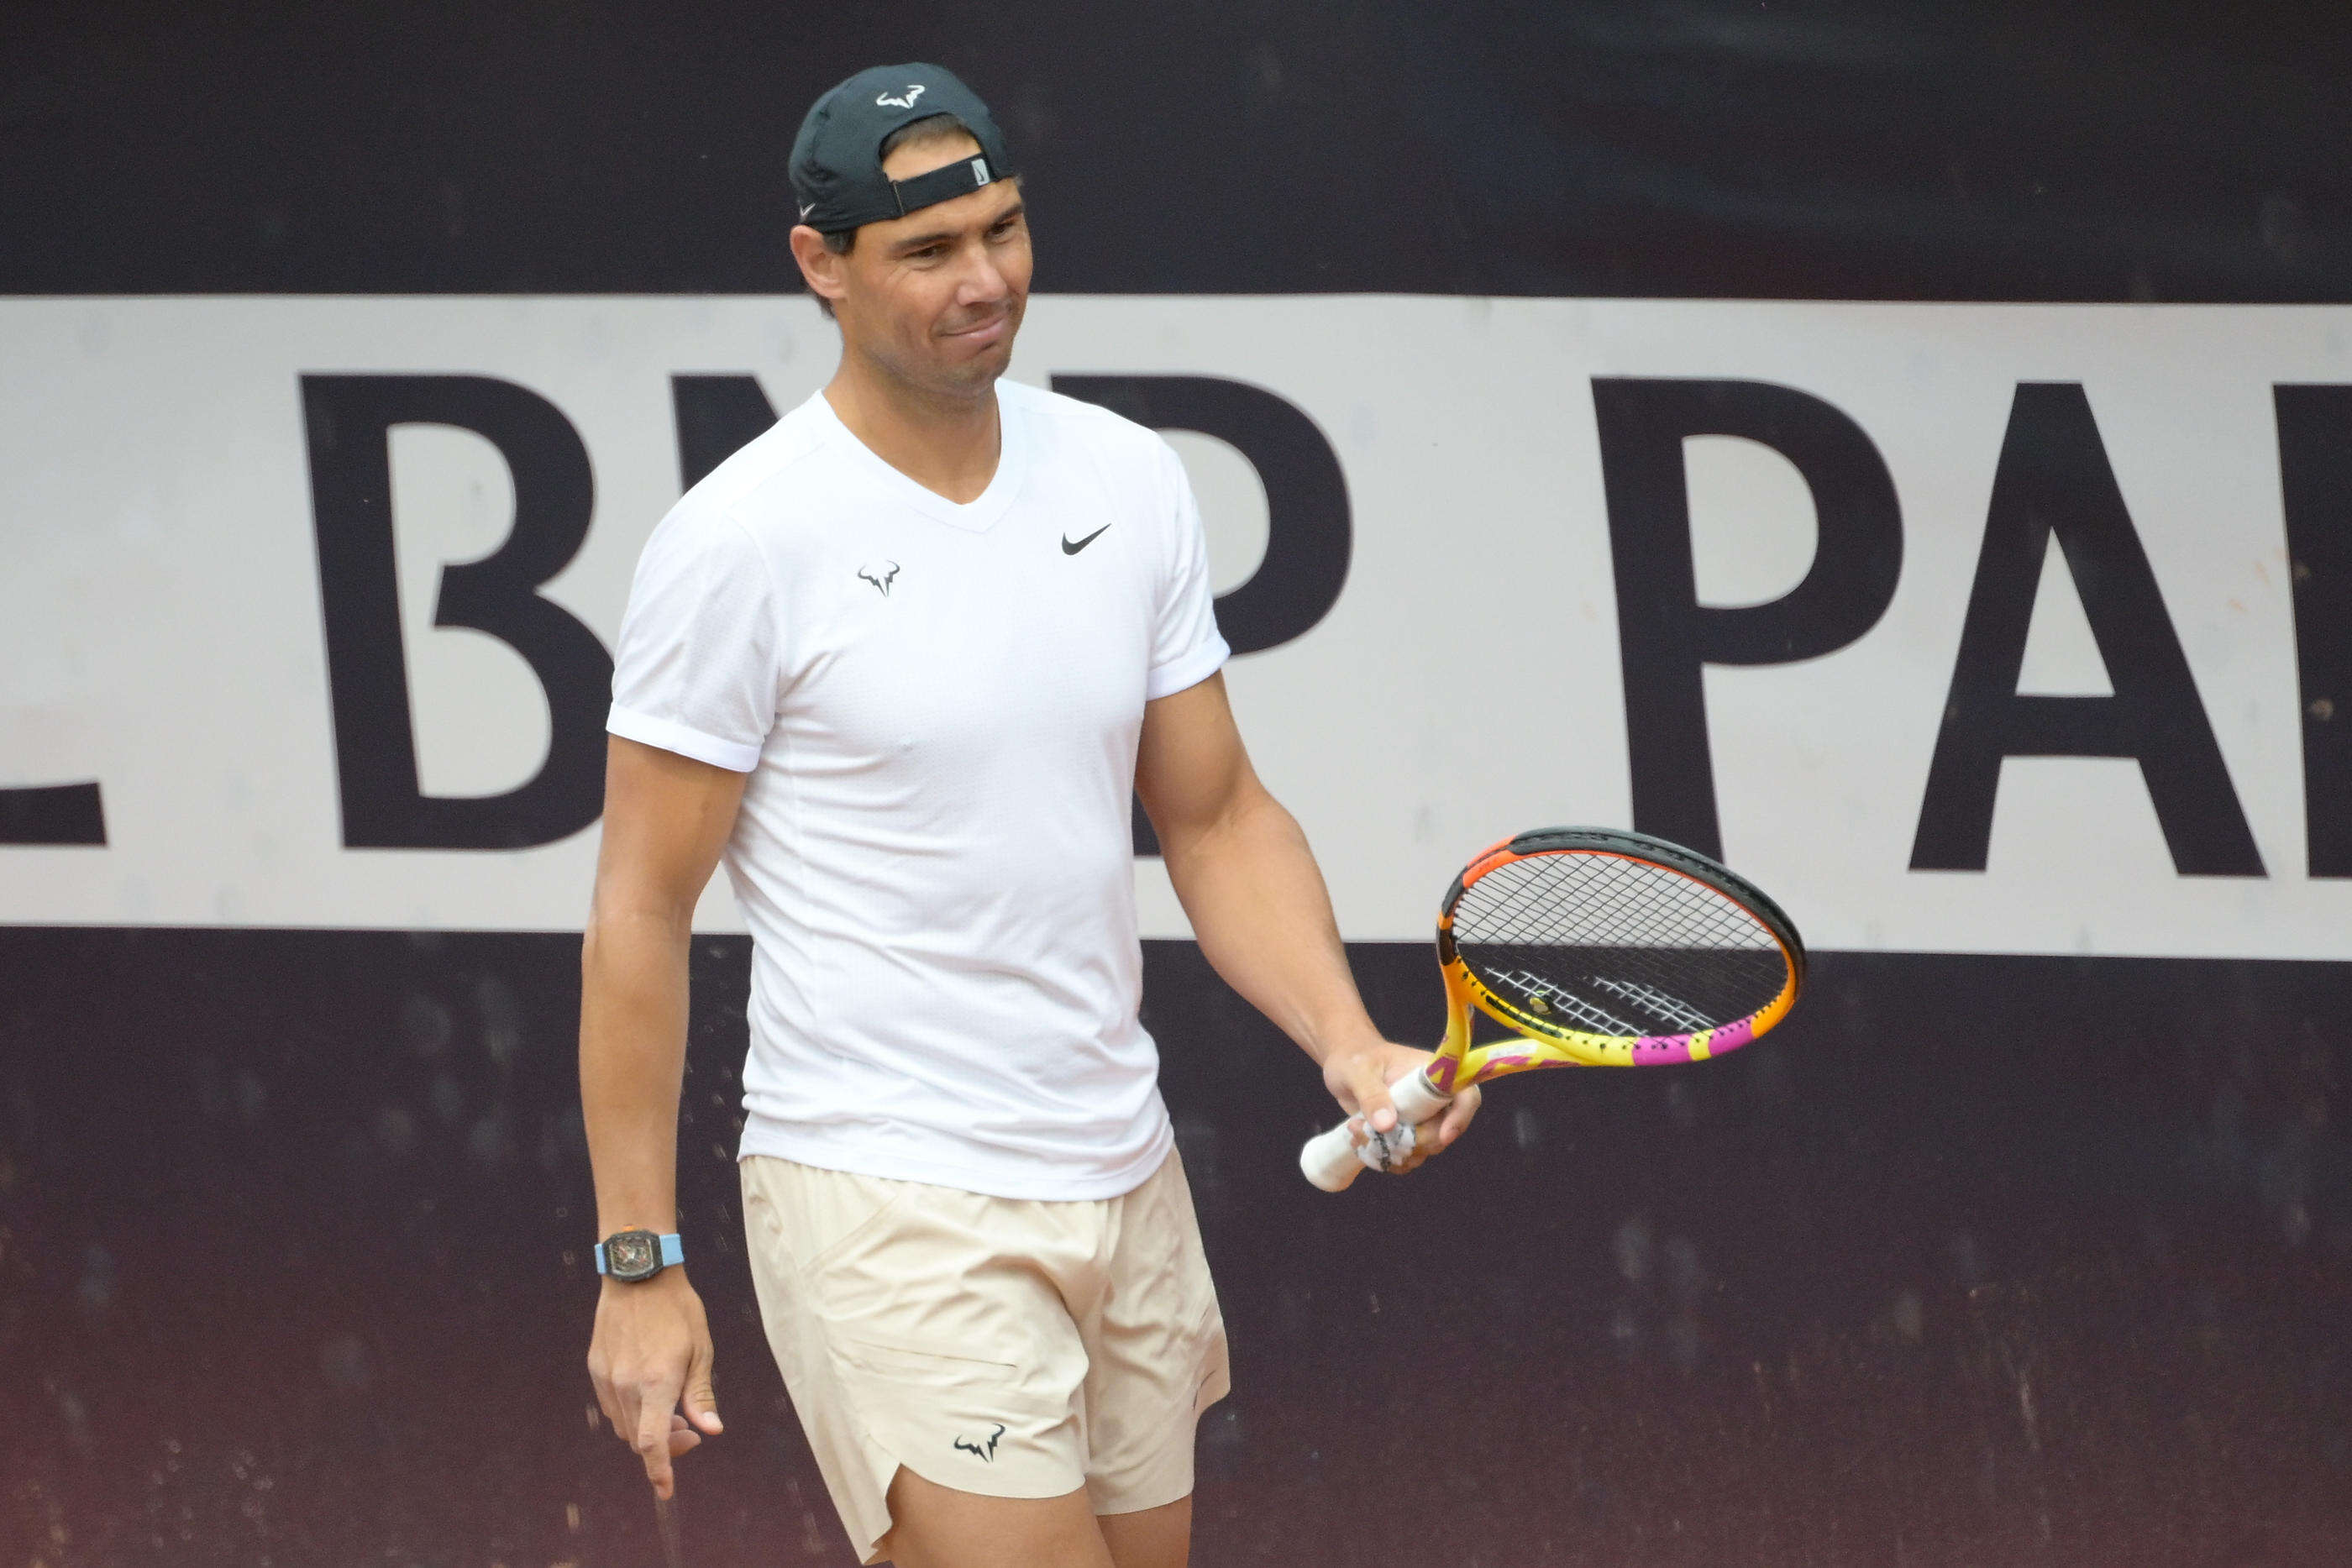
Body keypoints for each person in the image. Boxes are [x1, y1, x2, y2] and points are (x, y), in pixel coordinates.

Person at [578, 62, 1481, 1568]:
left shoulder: (1127, 481)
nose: (985, 280)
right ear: (822, 265)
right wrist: (637, 1260)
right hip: (886, 1193)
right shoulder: (739, 543)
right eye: (928, 253)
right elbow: (639, 910)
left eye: (1002, 230)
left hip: (1122, 1178)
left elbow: (1216, 817)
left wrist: (1349, 1040)